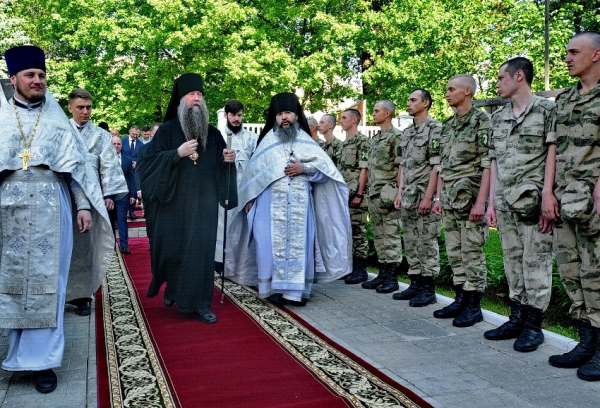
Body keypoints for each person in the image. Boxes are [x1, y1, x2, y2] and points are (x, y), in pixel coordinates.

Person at [0, 45, 110, 394]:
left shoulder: (56, 120)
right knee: (12, 283)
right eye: (30, 75)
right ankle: (15, 355)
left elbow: (75, 168)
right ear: (13, 78)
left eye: (42, 76)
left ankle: (44, 362)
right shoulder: (1, 117)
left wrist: (82, 206)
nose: (37, 81)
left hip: (53, 205)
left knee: (51, 284)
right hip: (8, 210)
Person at [225, 92, 351, 306]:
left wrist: (305, 168)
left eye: (288, 113)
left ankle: (296, 292)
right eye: (280, 113)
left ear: (296, 115)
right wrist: (249, 199)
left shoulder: (307, 142)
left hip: (301, 206)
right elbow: (253, 176)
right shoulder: (267, 141)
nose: (284, 117)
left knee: (300, 247)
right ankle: (272, 289)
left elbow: (327, 174)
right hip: (268, 205)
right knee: (268, 247)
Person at [138, 73, 237, 324]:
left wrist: (228, 162)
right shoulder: (168, 131)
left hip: (204, 206)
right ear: (181, 101)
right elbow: (147, 165)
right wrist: (176, 154)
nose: (197, 99)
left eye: (200, 95)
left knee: (201, 254)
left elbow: (220, 167)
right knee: (174, 251)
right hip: (173, 205)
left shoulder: (213, 134)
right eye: (192, 94)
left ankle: (201, 304)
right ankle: (173, 289)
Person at [483, 58, 555, 352]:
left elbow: (553, 154)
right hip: (505, 200)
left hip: (533, 200)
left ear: (519, 76)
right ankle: (516, 317)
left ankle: (533, 326)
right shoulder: (498, 118)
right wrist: (491, 202)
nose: (497, 84)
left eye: (501, 78)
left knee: (535, 261)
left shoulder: (547, 110)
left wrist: (549, 194)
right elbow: (494, 161)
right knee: (513, 260)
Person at [546, 32, 600, 381]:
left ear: (596, 55)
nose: (566, 58)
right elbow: (552, 148)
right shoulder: (563, 100)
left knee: (597, 275)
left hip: (593, 198)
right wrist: (548, 193)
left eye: (573, 52)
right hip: (564, 199)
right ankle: (586, 342)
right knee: (571, 271)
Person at [432, 74, 490, 327]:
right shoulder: (448, 125)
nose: (447, 94)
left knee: (472, 250)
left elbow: (488, 163)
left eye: (451, 89)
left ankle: (474, 305)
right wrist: (438, 196)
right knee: (455, 250)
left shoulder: (482, 121)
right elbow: (443, 166)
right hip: (449, 196)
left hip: (471, 196)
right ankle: (460, 298)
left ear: (468, 91)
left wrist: (481, 202)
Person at [66, 88, 128, 316]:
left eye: (89, 107)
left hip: (91, 197)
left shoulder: (101, 136)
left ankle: (83, 296)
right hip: (64, 196)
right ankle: (60, 294)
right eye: (80, 107)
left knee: (86, 247)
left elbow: (110, 165)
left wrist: (109, 194)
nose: (85, 112)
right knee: (62, 246)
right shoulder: (60, 130)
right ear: (70, 108)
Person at [393, 89, 441, 307]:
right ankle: (415, 282)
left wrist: (429, 197)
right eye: (408, 100)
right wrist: (399, 191)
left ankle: (428, 289)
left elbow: (436, 166)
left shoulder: (435, 129)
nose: (409, 104)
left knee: (427, 241)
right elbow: (403, 165)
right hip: (408, 196)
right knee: (410, 240)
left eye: (413, 100)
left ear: (426, 103)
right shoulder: (407, 133)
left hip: (424, 194)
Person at [361, 100, 403, 294]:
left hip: (388, 194)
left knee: (391, 235)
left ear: (387, 113)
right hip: (374, 193)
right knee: (379, 236)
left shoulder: (396, 137)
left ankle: (392, 278)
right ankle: (383, 273)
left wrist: (398, 191)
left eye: (377, 111)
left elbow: (401, 166)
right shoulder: (376, 139)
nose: (373, 114)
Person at [214, 99, 258, 271]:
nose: (236, 119)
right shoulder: (217, 137)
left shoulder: (252, 138)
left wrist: (252, 195)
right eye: (233, 115)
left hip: (245, 188)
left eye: (239, 115)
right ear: (225, 115)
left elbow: (256, 167)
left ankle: (242, 263)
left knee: (243, 227)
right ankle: (220, 261)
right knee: (222, 225)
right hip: (223, 188)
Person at [337, 108, 371, 284]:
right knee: (346, 232)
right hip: (344, 194)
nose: (340, 121)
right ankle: (349, 267)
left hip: (356, 195)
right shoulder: (343, 144)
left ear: (354, 120)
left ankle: (361, 270)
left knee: (358, 232)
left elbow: (364, 169)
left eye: (344, 118)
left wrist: (359, 193)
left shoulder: (362, 141)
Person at [112, 136, 137, 254]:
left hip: (123, 194)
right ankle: (111, 244)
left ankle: (124, 245)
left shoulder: (127, 159)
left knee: (122, 220)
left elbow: (131, 178)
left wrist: (133, 194)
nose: (116, 146)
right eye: (114, 144)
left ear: (122, 145)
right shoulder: (104, 159)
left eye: (118, 144)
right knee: (110, 221)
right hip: (109, 195)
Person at [121, 125, 142, 219]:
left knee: (134, 187)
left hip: (134, 171)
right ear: (130, 131)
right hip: (124, 170)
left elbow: (142, 157)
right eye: (134, 134)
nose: (135, 136)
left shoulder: (141, 144)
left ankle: (132, 210)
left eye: (137, 135)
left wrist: (137, 162)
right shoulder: (122, 141)